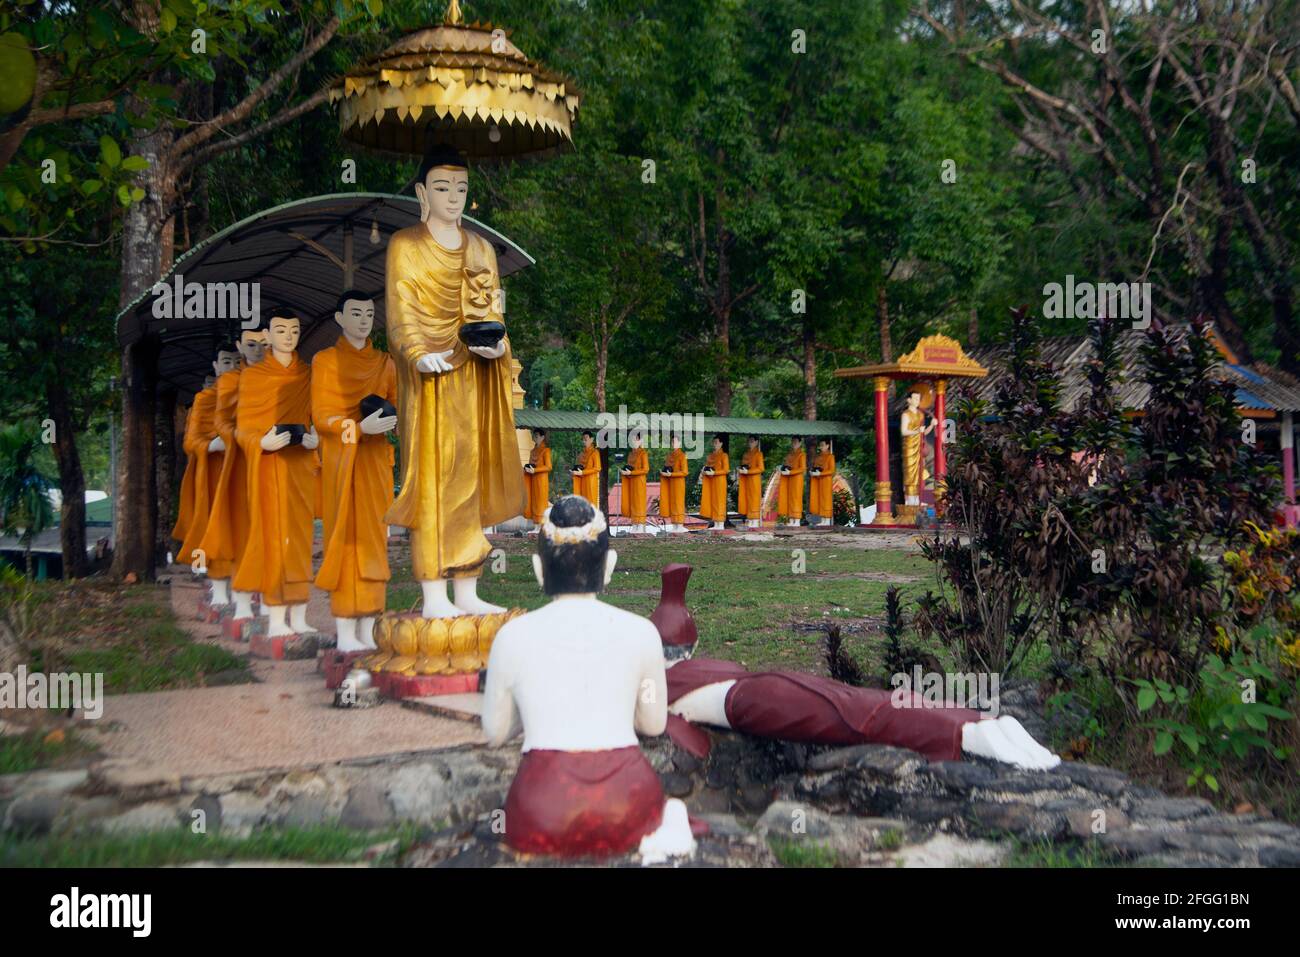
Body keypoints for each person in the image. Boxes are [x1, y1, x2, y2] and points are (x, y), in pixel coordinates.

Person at [482, 495, 694, 860]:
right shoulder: (641, 633)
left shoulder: (511, 637)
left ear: (537, 569)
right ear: (609, 566)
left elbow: (496, 732)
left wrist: (532, 706)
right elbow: (654, 723)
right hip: (627, 799)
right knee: (674, 811)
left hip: (541, 807)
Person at [383, 143, 525, 618]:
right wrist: (419, 354)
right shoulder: (405, 245)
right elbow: (401, 311)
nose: (453, 197)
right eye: (442, 187)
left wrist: (498, 347)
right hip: (427, 381)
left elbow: (492, 312)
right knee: (433, 478)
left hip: (472, 377)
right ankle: (432, 594)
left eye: (461, 188)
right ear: (422, 192)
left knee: (469, 477)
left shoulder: (482, 247)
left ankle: (466, 588)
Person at [312, 291, 398, 652]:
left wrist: (389, 422)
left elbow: (397, 411)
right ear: (339, 319)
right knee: (346, 542)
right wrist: (358, 430)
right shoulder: (325, 361)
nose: (363, 320)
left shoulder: (386, 363)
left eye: (368, 314)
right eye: (355, 313)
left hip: (376, 464)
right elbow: (321, 417)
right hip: (342, 464)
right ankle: (346, 630)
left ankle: (368, 625)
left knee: (374, 542)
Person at [232, 314, 319, 638]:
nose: (288, 336)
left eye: (295, 330)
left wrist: (316, 439)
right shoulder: (253, 378)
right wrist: (261, 442)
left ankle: (298, 616)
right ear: (268, 334)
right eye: (281, 330)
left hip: (299, 465)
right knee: (274, 541)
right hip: (268, 467)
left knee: (299, 541)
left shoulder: (308, 374)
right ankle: (276, 619)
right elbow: (243, 430)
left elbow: (317, 416)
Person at [198, 325, 268, 616]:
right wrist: (239, 437)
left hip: (269, 462)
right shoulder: (229, 383)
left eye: (263, 343)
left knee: (268, 531)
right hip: (238, 465)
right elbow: (222, 424)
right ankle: (238, 599)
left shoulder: (275, 377)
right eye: (251, 344)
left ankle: (268, 600)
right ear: (241, 346)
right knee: (240, 531)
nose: (258, 349)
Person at [175, 344, 239, 576]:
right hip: (212, 471)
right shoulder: (204, 399)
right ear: (216, 366)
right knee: (212, 521)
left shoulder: (252, 393)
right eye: (226, 362)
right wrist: (212, 445)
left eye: (237, 362)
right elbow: (190, 442)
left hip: (243, 467)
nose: (232, 367)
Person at [620, 429, 649, 533]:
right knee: (633, 502)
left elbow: (645, 469)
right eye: (632, 440)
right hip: (631, 481)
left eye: (636, 439)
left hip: (640, 481)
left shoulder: (643, 453)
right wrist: (626, 471)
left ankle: (640, 524)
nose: (634, 442)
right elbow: (630, 466)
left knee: (639, 502)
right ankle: (634, 524)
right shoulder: (631, 454)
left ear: (641, 441)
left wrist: (631, 473)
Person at [658, 433, 688, 533]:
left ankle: (680, 524)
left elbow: (684, 472)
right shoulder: (669, 456)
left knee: (678, 503)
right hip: (670, 483)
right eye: (672, 442)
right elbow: (667, 467)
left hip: (679, 483)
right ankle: (674, 524)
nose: (673, 443)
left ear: (679, 443)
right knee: (672, 503)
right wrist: (664, 472)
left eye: (675, 441)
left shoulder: (682, 455)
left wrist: (672, 474)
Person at [523, 428, 552, 527]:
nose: (534, 438)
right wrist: (528, 469)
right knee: (533, 502)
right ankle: (535, 526)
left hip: (541, 480)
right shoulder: (532, 451)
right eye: (533, 435)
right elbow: (531, 464)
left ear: (542, 437)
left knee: (540, 502)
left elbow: (548, 466)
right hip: (532, 479)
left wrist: (535, 470)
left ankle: (542, 525)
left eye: (536, 436)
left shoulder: (546, 450)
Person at [699, 435, 729, 530]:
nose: (715, 444)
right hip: (711, 481)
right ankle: (716, 523)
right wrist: (704, 472)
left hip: (720, 481)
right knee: (713, 501)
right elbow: (706, 466)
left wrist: (715, 472)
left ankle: (720, 524)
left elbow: (726, 470)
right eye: (714, 442)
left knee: (720, 502)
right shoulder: (710, 456)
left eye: (716, 442)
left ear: (721, 443)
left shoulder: (724, 455)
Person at [777, 436, 806, 527]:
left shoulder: (802, 455)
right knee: (789, 498)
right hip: (788, 478)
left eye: (796, 442)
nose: (794, 443)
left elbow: (802, 468)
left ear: (800, 443)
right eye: (793, 441)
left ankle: (797, 519)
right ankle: (790, 518)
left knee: (796, 498)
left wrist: (791, 471)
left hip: (797, 479)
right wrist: (783, 469)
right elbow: (785, 464)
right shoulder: (789, 454)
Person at [736, 435, 764, 529]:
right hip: (746, 480)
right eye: (749, 441)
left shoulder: (758, 454)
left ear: (756, 442)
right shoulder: (746, 454)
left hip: (755, 480)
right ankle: (749, 519)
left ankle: (755, 520)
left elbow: (761, 468)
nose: (750, 443)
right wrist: (742, 469)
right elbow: (743, 464)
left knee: (754, 499)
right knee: (746, 499)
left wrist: (749, 471)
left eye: (752, 441)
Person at [808, 439, 836, 527]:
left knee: (825, 500)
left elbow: (831, 471)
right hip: (817, 481)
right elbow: (815, 467)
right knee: (817, 499)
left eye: (823, 445)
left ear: (828, 446)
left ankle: (827, 519)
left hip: (826, 481)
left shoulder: (830, 457)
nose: (821, 447)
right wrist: (813, 472)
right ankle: (821, 519)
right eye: (820, 445)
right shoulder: (818, 457)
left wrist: (821, 473)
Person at [571, 430, 600, 506]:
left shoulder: (595, 453)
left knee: (591, 504)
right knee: (583, 503)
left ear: (592, 439)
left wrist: (583, 472)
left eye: (586, 439)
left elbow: (597, 468)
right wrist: (575, 471)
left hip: (591, 482)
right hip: (582, 481)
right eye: (583, 439)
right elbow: (580, 466)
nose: (584, 441)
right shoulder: (581, 454)